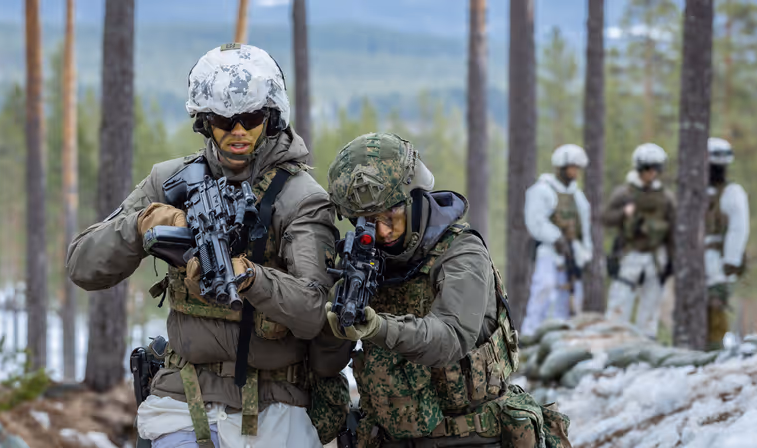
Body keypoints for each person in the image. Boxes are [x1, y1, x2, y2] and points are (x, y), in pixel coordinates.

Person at [66, 44, 350, 448]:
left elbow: (312, 312)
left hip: (274, 405)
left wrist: (250, 277)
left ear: (271, 119)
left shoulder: (301, 198)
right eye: (223, 120)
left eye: (250, 119)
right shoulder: (170, 180)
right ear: (204, 122)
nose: (237, 132)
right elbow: (82, 265)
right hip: (180, 398)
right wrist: (142, 224)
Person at [324, 133, 571, 448]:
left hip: (471, 437)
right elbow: (325, 366)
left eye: (391, 216)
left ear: (414, 200)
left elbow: (449, 338)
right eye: (369, 221)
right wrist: (333, 331)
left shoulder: (461, 252)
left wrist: (377, 327)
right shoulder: (362, 261)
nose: (383, 232)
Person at [603, 143, 675, 339]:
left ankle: (646, 344)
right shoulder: (625, 193)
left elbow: (672, 231)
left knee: (651, 305)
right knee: (620, 301)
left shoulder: (665, 198)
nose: (652, 174)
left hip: (655, 257)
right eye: (648, 169)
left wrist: (671, 261)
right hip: (629, 253)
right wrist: (623, 214)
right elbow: (605, 218)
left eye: (655, 170)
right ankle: (613, 341)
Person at [521, 144, 592, 335]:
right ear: (561, 167)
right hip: (548, 250)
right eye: (572, 167)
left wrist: (585, 254)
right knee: (544, 287)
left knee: (570, 295)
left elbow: (583, 228)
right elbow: (536, 221)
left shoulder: (578, 196)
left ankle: (562, 336)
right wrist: (556, 238)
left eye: (577, 168)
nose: (575, 172)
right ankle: (530, 333)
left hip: (572, 253)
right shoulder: (543, 190)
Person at [705, 138, 749, 350]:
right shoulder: (694, 193)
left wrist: (731, 261)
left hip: (718, 263)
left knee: (716, 308)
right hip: (696, 262)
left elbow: (739, 228)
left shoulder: (732, 192)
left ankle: (714, 352)